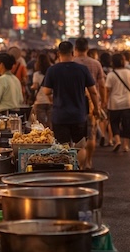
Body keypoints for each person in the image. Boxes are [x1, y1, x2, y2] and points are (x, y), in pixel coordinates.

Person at [42, 41, 101, 169]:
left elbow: (46, 91)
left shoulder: (53, 70)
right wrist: (96, 109)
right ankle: (79, 169)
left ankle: (67, 171)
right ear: (73, 53)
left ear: (58, 54)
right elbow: (93, 92)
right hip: (79, 114)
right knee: (80, 146)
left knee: (63, 146)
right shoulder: (82, 69)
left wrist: (53, 99)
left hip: (60, 115)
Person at [73, 38, 107, 162]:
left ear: (75, 49)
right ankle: (88, 161)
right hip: (92, 103)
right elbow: (102, 85)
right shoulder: (96, 63)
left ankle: (77, 162)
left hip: (74, 103)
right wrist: (102, 101)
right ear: (87, 49)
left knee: (76, 136)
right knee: (91, 133)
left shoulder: (71, 63)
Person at [105, 53, 130, 152]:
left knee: (114, 123)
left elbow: (107, 90)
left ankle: (117, 140)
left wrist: (105, 102)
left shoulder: (111, 75)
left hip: (114, 103)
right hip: (128, 103)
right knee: (127, 124)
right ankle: (126, 145)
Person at [0, 52, 25, 116]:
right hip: (16, 114)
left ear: (1, 64)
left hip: (3, 115)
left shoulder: (1, 80)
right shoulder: (16, 79)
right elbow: (21, 99)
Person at [31, 52, 53, 128]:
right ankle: (51, 138)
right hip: (51, 100)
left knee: (41, 125)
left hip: (40, 101)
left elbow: (35, 86)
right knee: (51, 124)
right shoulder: (51, 73)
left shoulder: (36, 74)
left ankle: (44, 139)